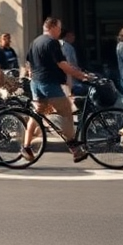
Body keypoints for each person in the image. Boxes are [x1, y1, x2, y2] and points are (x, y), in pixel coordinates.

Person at [23, 17, 91, 162]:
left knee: (37, 114)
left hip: (36, 83)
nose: (60, 32)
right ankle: (74, 148)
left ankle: (26, 147)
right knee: (66, 111)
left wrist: (32, 74)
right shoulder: (52, 42)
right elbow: (62, 64)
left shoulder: (35, 42)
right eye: (59, 28)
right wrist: (81, 75)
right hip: (49, 84)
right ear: (52, 27)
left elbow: (28, 63)